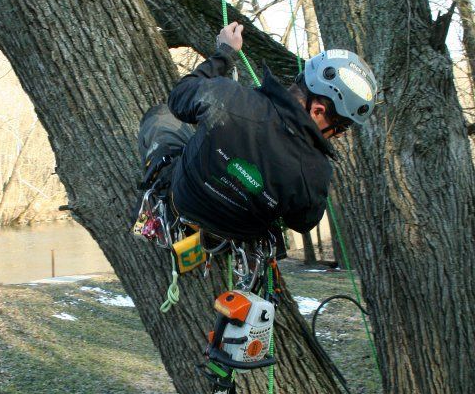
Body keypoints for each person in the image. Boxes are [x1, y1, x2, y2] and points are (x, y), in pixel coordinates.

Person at [137, 21, 377, 245]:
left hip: (183, 203)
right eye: (341, 126)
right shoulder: (316, 174)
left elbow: (179, 96)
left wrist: (224, 54)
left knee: (160, 117)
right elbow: (303, 222)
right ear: (317, 110)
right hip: (234, 239)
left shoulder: (230, 98)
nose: (340, 135)